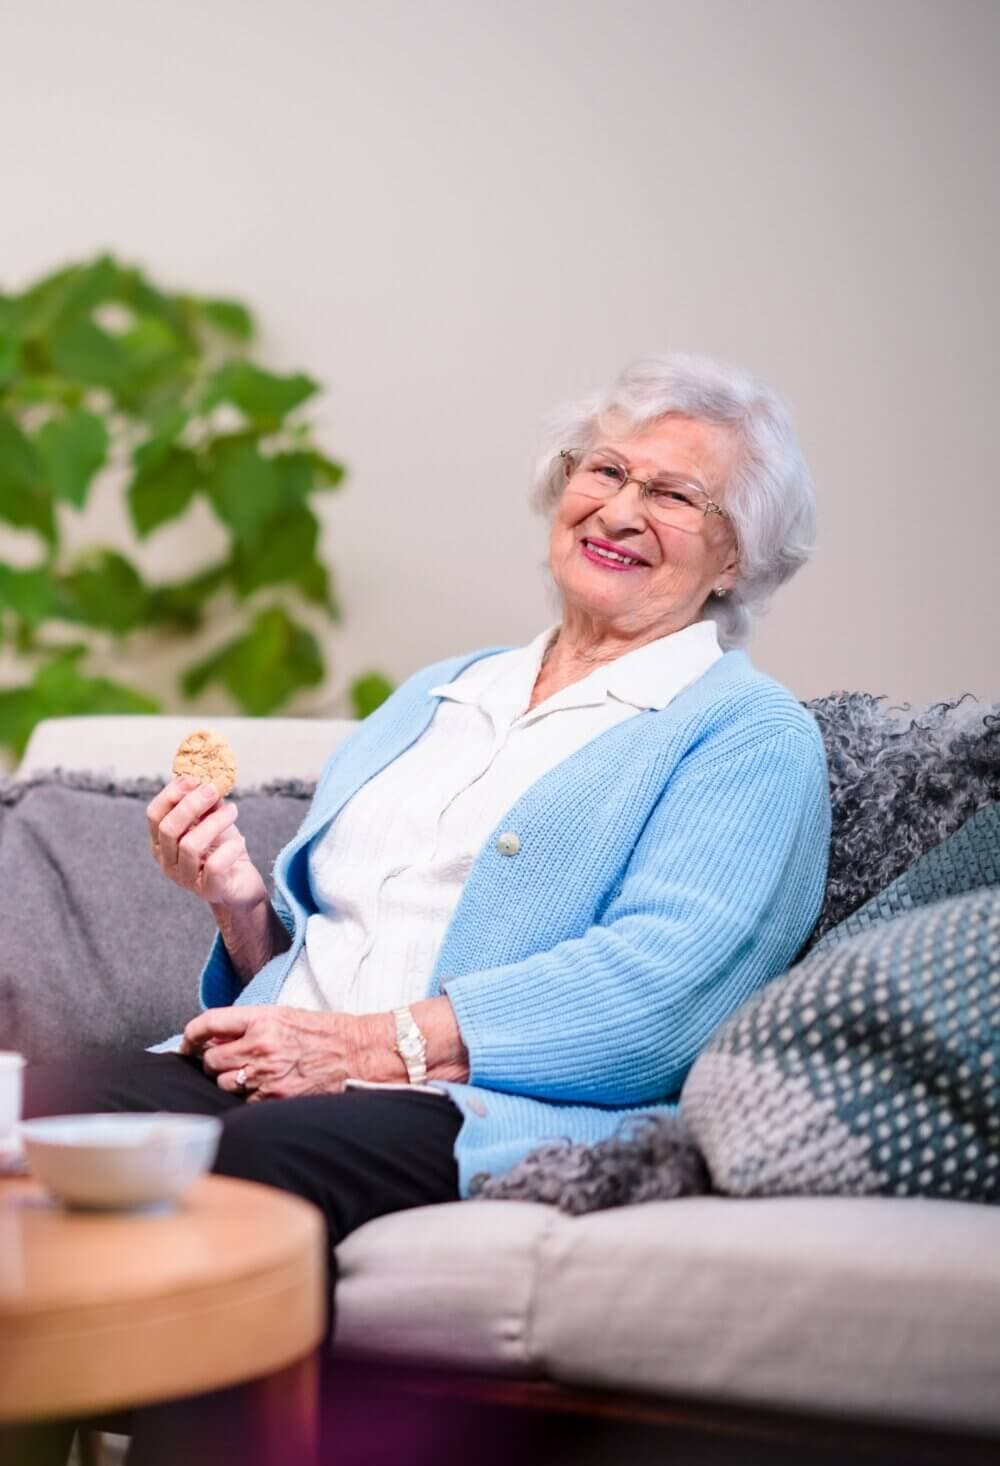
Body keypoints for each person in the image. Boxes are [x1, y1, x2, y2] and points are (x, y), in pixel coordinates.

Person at [25, 350, 831, 1287]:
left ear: (737, 553)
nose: (619, 510)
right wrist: (240, 904)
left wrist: (369, 1047)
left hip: (474, 1106)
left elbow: (663, 994)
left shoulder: (748, 734)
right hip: (283, 1076)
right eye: (606, 471)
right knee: (36, 1118)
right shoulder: (440, 692)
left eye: (675, 495)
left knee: (252, 1173)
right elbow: (338, 946)